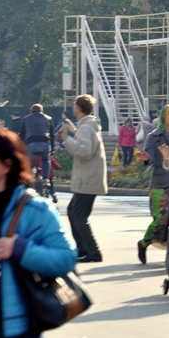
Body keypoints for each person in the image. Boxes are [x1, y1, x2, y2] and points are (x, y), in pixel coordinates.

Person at [0, 129, 77, 338]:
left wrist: (22, 250)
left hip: (15, 336)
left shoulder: (34, 209)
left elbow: (66, 257)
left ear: (6, 165)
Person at [58, 94, 108, 263]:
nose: (73, 108)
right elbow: (86, 143)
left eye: (74, 105)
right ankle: (82, 249)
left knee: (78, 215)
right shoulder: (86, 126)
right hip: (88, 178)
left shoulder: (86, 127)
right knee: (74, 212)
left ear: (79, 108)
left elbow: (84, 151)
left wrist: (66, 139)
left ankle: (93, 251)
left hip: (88, 179)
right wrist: (74, 131)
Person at [136, 104, 169, 264]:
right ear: (165, 117)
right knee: (160, 220)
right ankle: (144, 243)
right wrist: (146, 158)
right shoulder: (153, 137)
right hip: (160, 183)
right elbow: (152, 160)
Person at [19, 104, 54, 185]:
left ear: (31, 111)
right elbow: (52, 135)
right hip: (45, 143)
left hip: (31, 143)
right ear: (42, 111)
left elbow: (22, 135)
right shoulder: (49, 118)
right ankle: (46, 179)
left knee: (30, 163)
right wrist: (52, 150)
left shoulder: (25, 119)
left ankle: (28, 180)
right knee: (46, 160)